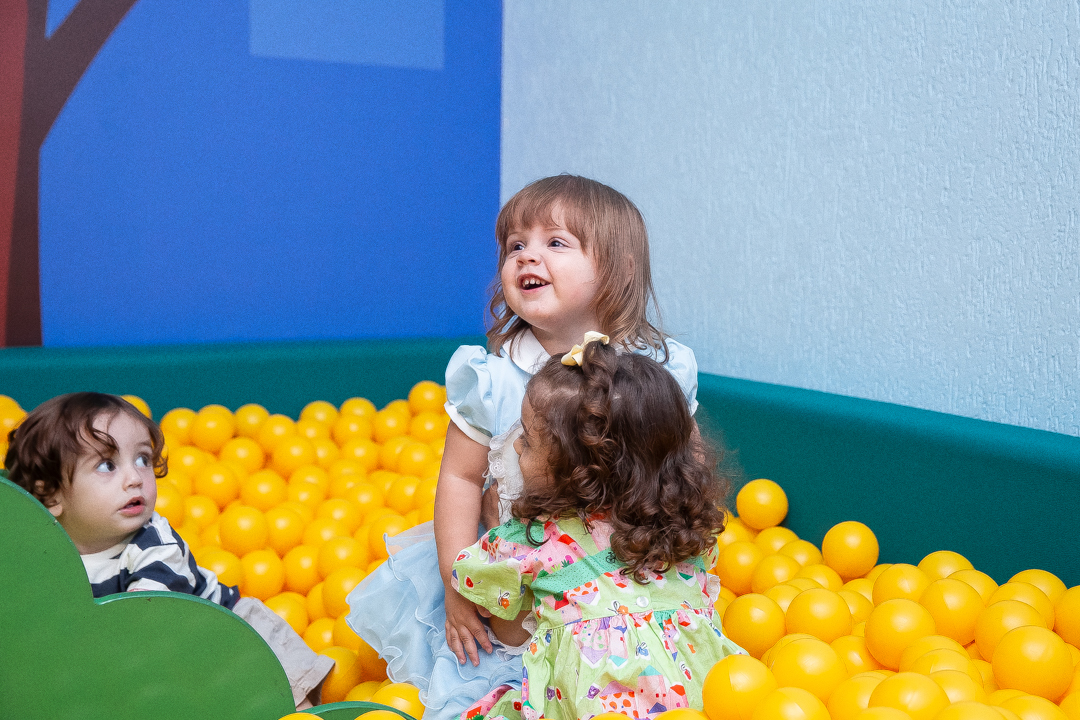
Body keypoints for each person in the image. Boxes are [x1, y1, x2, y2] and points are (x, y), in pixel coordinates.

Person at [346, 175, 701, 720]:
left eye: (556, 242)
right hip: (516, 580)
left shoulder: (657, 370)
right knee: (504, 684)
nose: (527, 256)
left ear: (619, 269)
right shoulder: (492, 379)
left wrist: (685, 542)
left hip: (628, 576)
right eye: (516, 245)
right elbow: (460, 478)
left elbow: (684, 463)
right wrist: (456, 584)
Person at [452, 339, 745, 720]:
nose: (518, 447)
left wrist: (495, 523)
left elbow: (512, 635)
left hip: (590, 708)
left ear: (577, 471)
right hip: (701, 701)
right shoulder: (684, 530)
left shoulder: (535, 541)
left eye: (528, 439)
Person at [4, 392, 332, 708]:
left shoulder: (155, 544)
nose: (134, 478)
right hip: (144, 666)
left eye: (142, 459)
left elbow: (145, 621)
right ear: (51, 495)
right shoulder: (43, 553)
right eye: (107, 465)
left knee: (276, 682)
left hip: (222, 638)